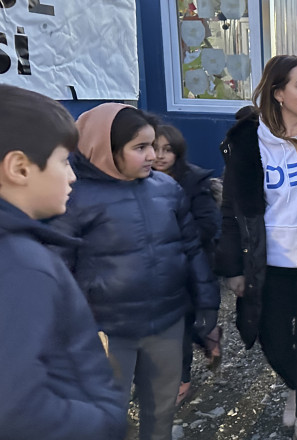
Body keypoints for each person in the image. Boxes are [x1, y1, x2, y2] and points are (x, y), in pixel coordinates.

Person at [49, 104, 220, 440]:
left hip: (167, 324)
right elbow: (57, 269)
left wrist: (207, 303)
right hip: (107, 332)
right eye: (140, 148)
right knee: (105, 414)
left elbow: (191, 250)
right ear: (106, 150)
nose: (153, 156)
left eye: (154, 146)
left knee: (161, 410)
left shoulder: (167, 190)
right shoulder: (74, 197)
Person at [214, 55, 297, 438]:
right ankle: (296, 385)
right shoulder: (248, 141)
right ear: (278, 93)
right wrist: (234, 269)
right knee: (271, 340)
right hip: (268, 263)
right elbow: (233, 210)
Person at [0, 85, 127, 440]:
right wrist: (104, 421)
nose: (71, 175)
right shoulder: (22, 267)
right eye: (62, 161)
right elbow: (15, 409)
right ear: (20, 168)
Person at [152, 124, 223, 405]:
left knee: (178, 329)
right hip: (154, 270)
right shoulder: (136, 178)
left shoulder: (193, 182)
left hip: (189, 268)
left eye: (167, 150)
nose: (159, 156)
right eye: (153, 148)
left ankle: (182, 379)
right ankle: (209, 336)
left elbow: (208, 226)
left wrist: (173, 236)